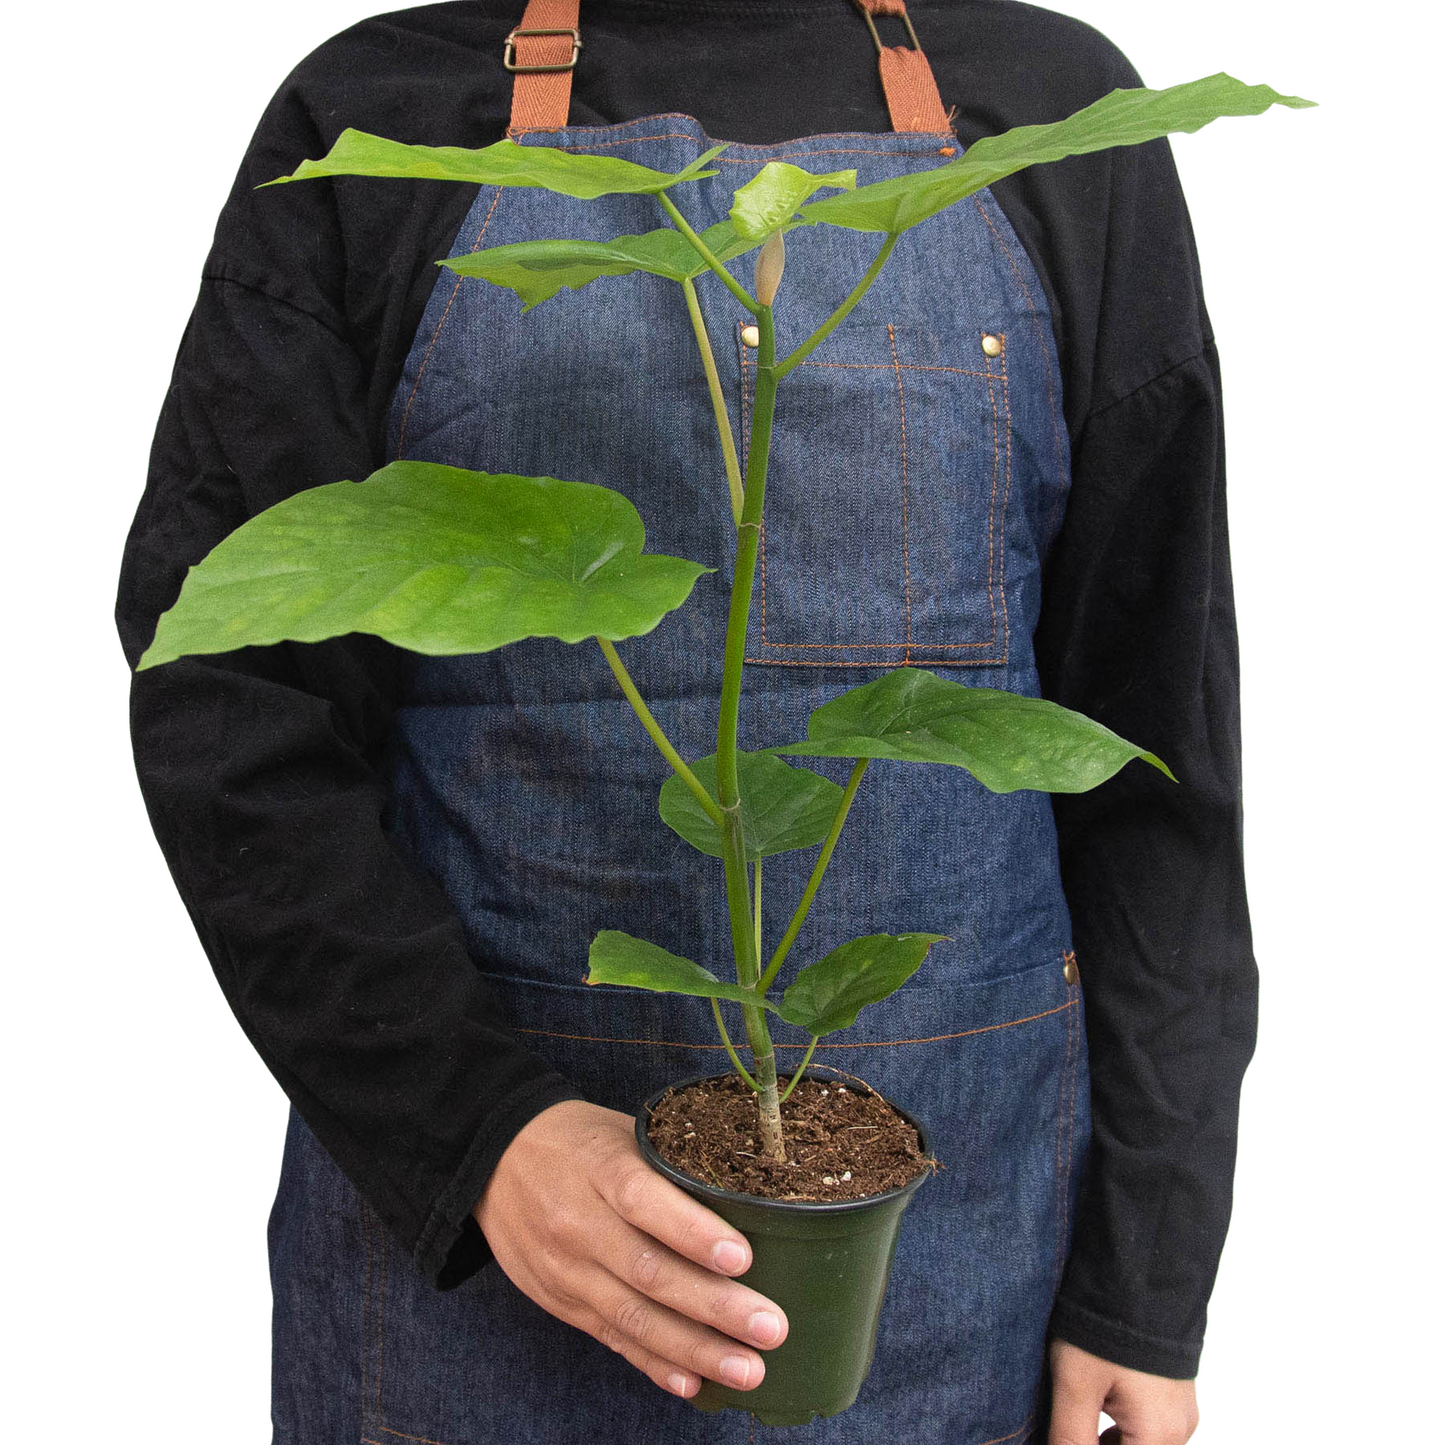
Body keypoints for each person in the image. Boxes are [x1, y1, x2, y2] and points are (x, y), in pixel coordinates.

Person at [115, 1, 1254, 1441]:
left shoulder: (1042, 110)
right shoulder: (388, 111)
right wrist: (481, 1132)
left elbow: (1155, 746)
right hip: (477, 1267)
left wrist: (1147, 1272)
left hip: (946, 1262)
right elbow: (231, 706)